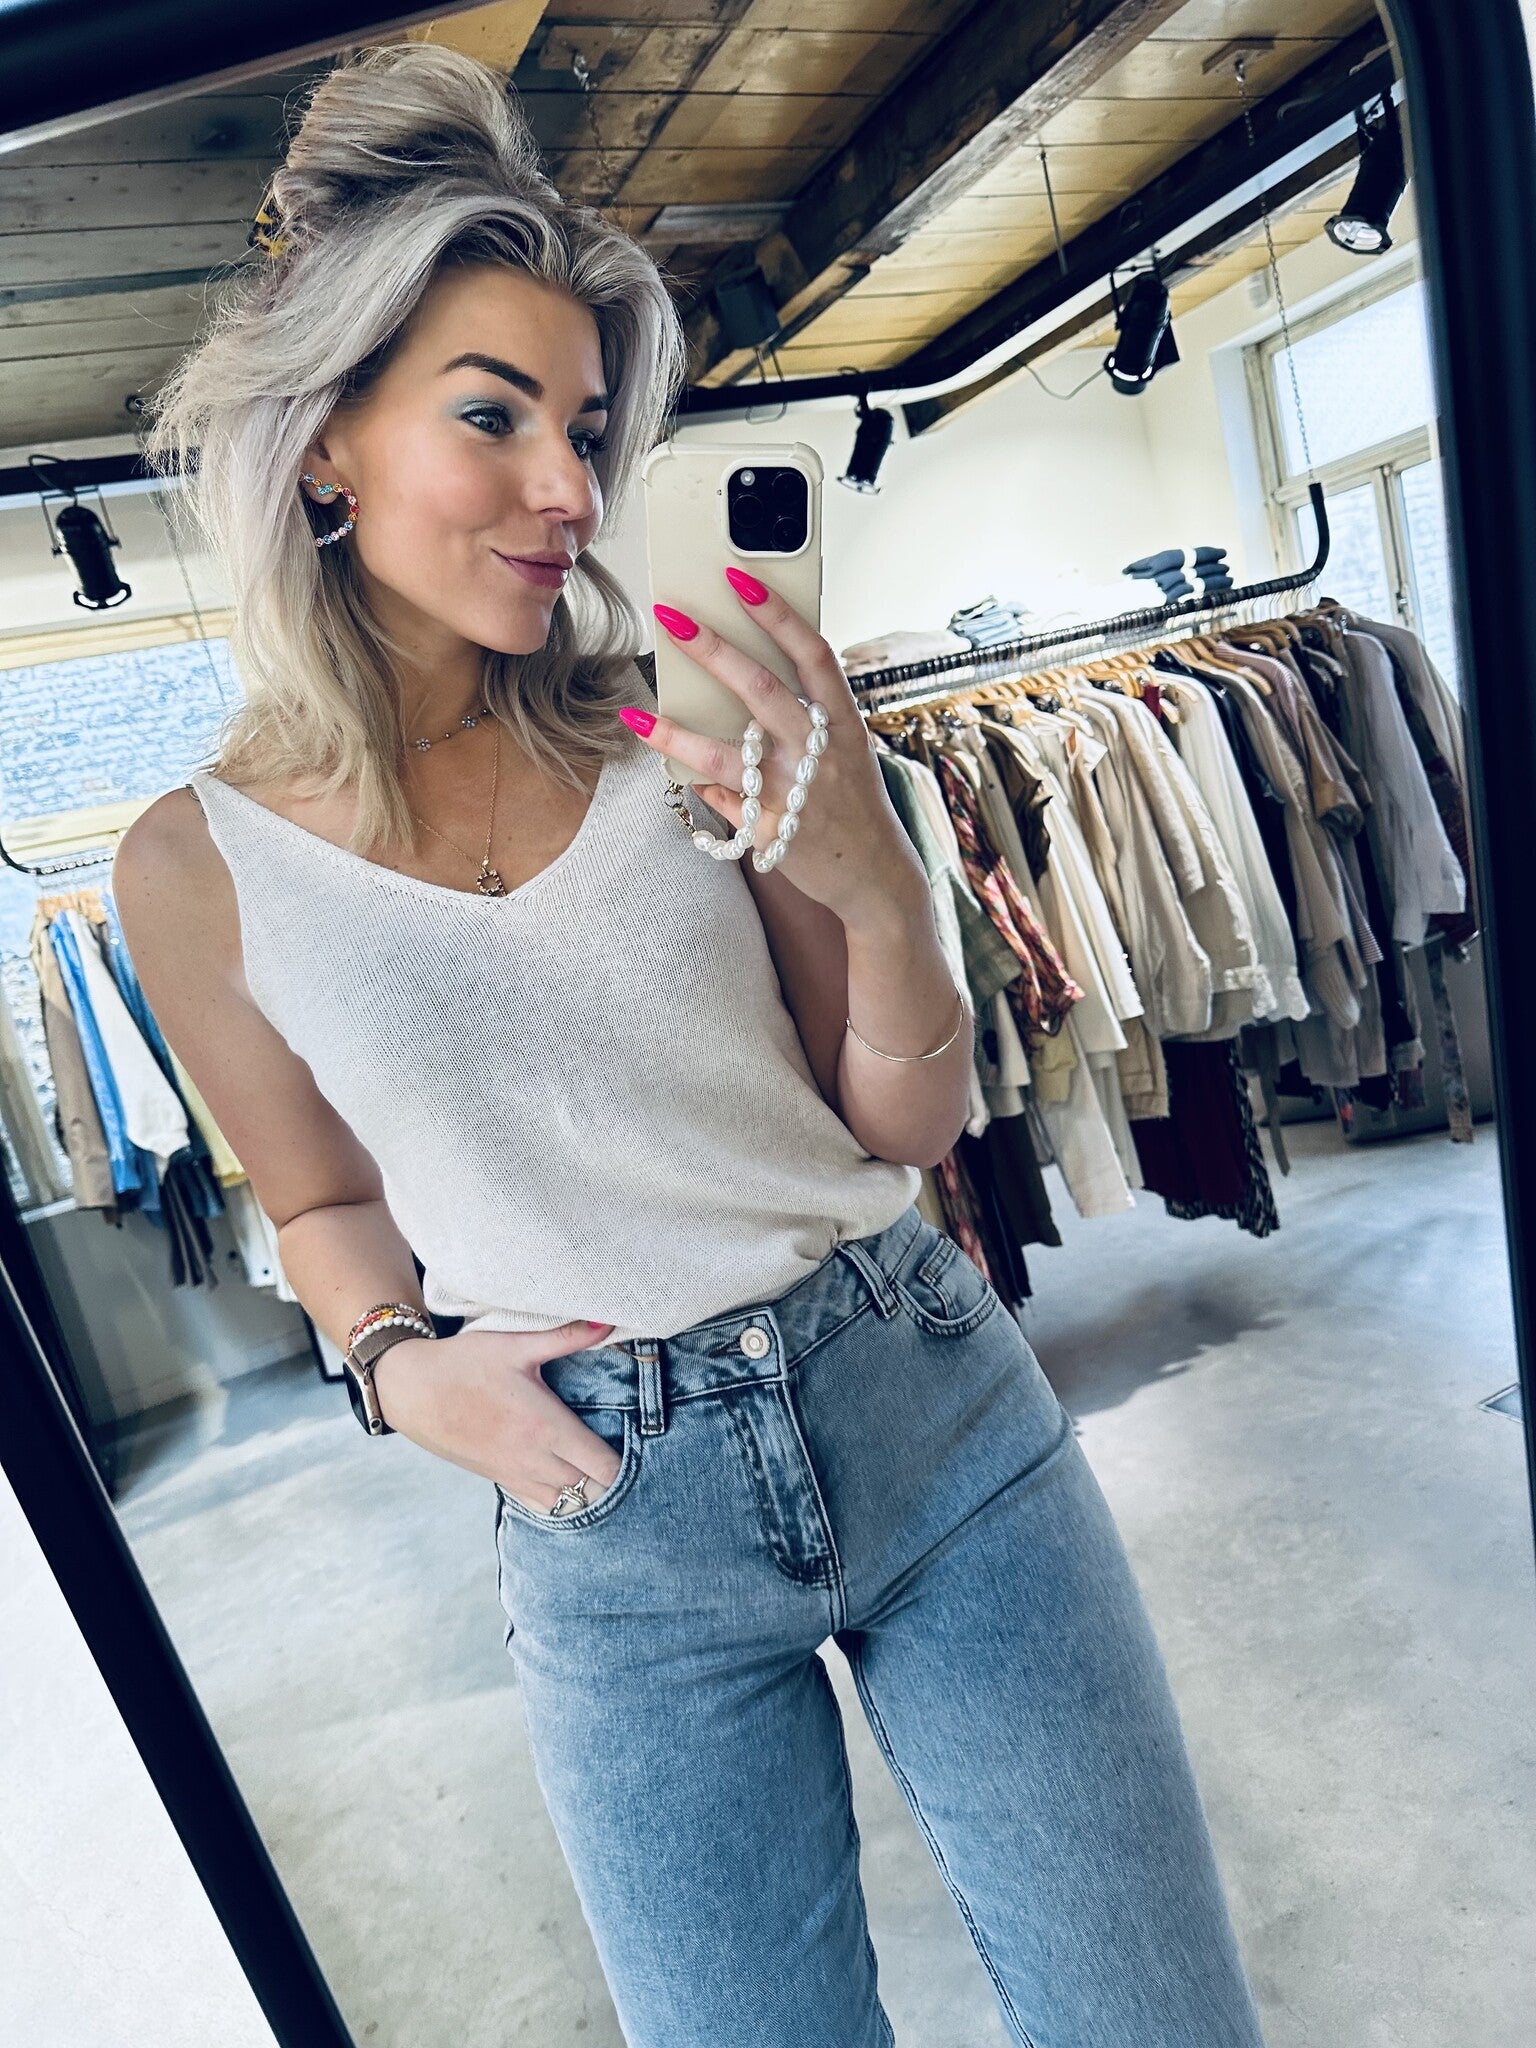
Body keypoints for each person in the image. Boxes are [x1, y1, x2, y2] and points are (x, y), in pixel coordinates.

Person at [114, 42, 1268, 2048]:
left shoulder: (681, 723)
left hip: (919, 1392)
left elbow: (901, 1120)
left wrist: (879, 885)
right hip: (609, 1521)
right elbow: (318, 1201)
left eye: (584, 428)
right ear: (325, 446)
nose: (571, 490)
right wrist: (399, 1372)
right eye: (494, 416)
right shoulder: (195, 868)